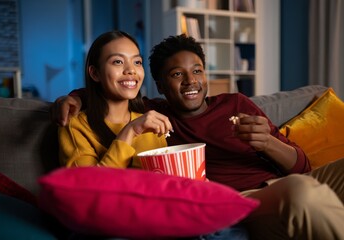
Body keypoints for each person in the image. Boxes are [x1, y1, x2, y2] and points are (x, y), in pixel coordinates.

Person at [51, 34, 344, 239]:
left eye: (197, 71)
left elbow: (304, 166)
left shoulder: (237, 103)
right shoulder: (154, 117)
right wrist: (73, 98)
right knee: (302, 192)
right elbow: (115, 93)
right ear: (160, 86)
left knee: (309, 183)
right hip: (248, 201)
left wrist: (269, 143)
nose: (191, 81)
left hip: (291, 179)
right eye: (177, 74)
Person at [58, 30, 172, 168]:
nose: (131, 70)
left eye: (137, 62)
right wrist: (130, 131)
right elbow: (88, 187)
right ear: (95, 73)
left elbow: (164, 182)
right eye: (118, 62)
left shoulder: (152, 126)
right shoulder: (75, 126)